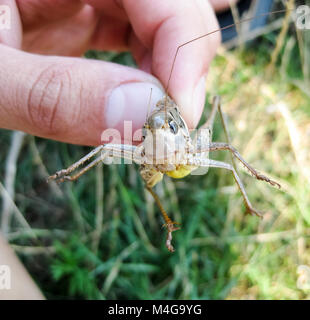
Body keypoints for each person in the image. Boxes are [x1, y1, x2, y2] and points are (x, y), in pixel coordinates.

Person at [0, 0, 235, 299]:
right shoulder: (148, 130)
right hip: (152, 163)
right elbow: (103, 150)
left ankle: (186, 219)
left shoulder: (178, 125)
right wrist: (71, 171)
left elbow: (225, 147)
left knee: (220, 131)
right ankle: (72, 176)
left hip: (183, 156)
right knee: (109, 152)